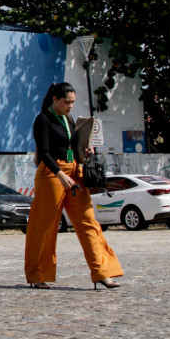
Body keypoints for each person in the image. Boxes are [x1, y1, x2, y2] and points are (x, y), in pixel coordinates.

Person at [25, 82, 124, 290]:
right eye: (67, 102)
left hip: (75, 170)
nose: (70, 106)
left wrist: (84, 151)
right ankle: (37, 274)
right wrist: (59, 174)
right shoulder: (43, 119)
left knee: (88, 222)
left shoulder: (69, 118)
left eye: (72, 102)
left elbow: (71, 144)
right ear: (55, 99)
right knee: (45, 225)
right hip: (52, 173)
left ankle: (102, 272)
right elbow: (44, 152)